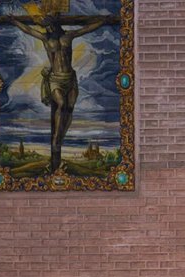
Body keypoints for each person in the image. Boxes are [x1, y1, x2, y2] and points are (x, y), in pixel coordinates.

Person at [8, 13, 118, 172]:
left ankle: (61, 136)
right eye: (46, 26)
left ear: (55, 24)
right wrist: (14, 20)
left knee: (70, 107)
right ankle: (55, 140)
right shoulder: (45, 38)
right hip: (56, 79)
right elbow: (28, 30)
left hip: (69, 78)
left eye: (50, 25)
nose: (48, 28)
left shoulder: (69, 35)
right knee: (61, 104)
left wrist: (103, 21)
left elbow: (86, 29)